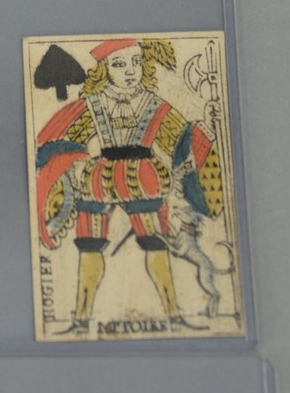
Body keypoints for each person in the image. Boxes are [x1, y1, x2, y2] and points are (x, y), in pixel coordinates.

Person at [34, 39, 224, 332]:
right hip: (98, 180)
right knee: (89, 247)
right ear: (104, 69)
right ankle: (81, 320)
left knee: (156, 245)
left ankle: (173, 316)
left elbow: (180, 142)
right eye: (119, 64)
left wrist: (201, 138)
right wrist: (71, 166)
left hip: (144, 179)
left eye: (136, 62)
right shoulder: (92, 105)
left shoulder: (155, 105)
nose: (130, 71)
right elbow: (66, 142)